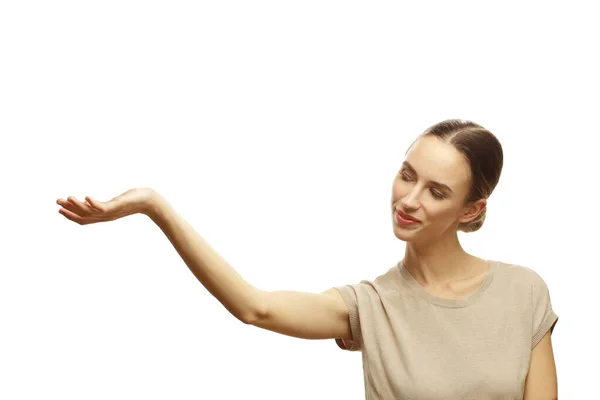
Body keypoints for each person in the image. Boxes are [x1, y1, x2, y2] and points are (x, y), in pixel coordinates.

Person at [56, 119, 558, 399]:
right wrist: (155, 206)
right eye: (407, 175)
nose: (408, 199)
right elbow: (257, 308)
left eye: (436, 191)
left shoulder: (524, 293)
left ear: (471, 209)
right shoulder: (371, 307)